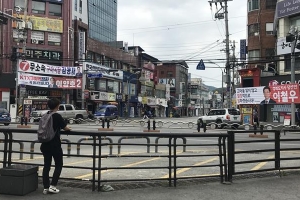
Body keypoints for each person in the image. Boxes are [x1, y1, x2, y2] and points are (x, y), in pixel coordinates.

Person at [41, 98, 71, 194]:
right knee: (58, 164)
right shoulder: (57, 116)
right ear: (57, 106)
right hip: (54, 144)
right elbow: (66, 128)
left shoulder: (45, 115)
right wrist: (69, 128)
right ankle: (53, 186)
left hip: (45, 143)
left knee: (47, 165)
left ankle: (46, 187)